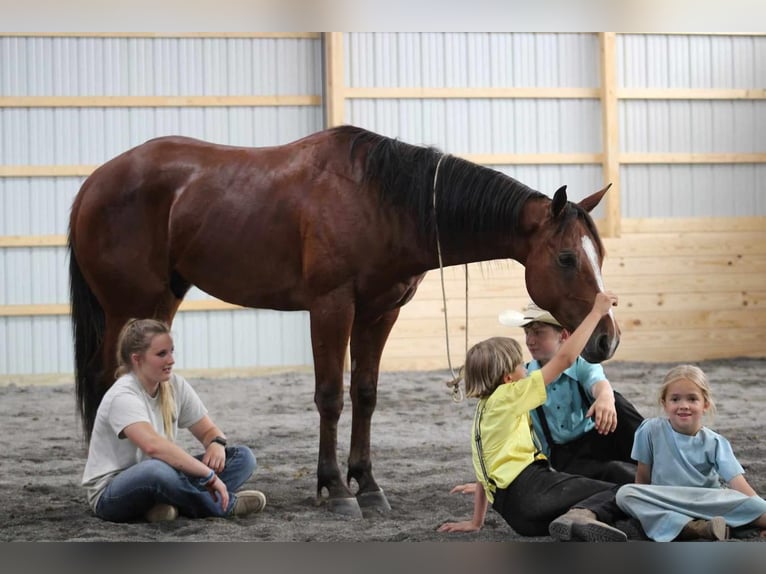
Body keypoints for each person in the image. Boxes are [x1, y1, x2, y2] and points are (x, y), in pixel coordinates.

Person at [438, 291, 630, 542]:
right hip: (533, 489)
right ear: (507, 379)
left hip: (518, 517)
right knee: (622, 492)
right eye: (519, 366)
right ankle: (582, 515)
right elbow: (565, 358)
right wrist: (596, 312)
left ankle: (581, 519)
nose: (524, 368)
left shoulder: (483, 413)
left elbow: (482, 474)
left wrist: (476, 522)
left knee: (602, 505)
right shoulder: (511, 395)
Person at [81, 318, 267, 523]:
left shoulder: (174, 384)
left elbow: (208, 431)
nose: (171, 360)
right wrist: (209, 476)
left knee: (243, 458)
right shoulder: (123, 396)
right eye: (162, 354)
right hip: (111, 494)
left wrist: (216, 444)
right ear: (137, 359)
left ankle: (163, 506)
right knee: (156, 470)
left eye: (171, 351)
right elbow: (154, 447)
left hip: (160, 474)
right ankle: (224, 506)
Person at [616, 364, 766, 542]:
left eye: (692, 399)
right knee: (625, 494)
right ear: (664, 403)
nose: (683, 405)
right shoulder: (649, 430)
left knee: (750, 504)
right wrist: (644, 503)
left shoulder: (716, 442)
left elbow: (740, 486)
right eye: (675, 399)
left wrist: (758, 508)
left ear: (705, 404)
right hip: (666, 500)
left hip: (706, 501)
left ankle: (682, 526)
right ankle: (696, 528)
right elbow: (642, 479)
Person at [500, 302, 643, 484]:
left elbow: (598, 381)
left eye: (538, 332)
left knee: (616, 402)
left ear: (564, 335)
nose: (529, 340)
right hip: (564, 457)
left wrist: (605, 397)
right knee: (616, 471)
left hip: (598, 437)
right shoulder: (525, 378)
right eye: (527, 332)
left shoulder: (581, 363)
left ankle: (657, 456)